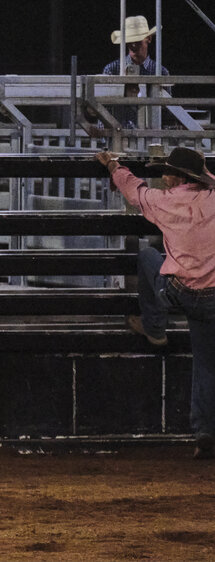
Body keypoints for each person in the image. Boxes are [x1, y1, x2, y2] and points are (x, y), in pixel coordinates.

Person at [96, 146, 215, 460]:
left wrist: (114, 166)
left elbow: (134, 191)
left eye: (168, 173)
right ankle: (204, 430)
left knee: (149, 256)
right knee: (206, 361)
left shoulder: (164, 201)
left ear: (178, 177)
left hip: (183, 292)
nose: (164, 177)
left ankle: (155, 326)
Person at [102, 15, 170, 129]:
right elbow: (103, 110)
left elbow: (166, 112)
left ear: (149, 39)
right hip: (118, 133)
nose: (133, 45)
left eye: (137, 41)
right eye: (129, 41)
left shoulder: (161, 72)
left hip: (150, 134)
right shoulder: (111, 70)